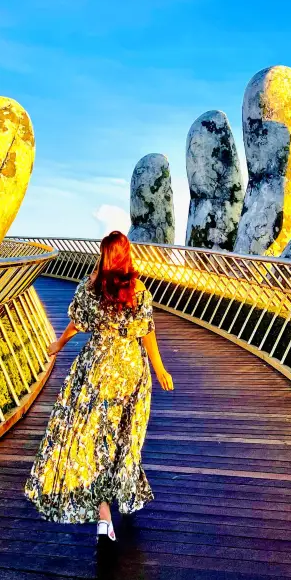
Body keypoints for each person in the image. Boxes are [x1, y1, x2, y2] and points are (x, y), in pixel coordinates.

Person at [24, 230, 174, 543]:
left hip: (97, 366)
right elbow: (147, 332)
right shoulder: (139, 289)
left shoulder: (91, 286)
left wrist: (59, 344)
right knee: (124, 435)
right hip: (130, 368)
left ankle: (104, 514)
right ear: (127, 254)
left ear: (104, 254)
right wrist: (159, 368)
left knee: (90, 436)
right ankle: (124, 492)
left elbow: (78, 323)